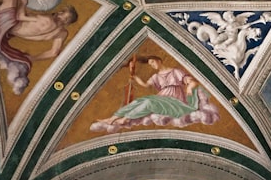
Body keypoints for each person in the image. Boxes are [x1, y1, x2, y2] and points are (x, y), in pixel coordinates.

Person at [90, 56, 219, 131]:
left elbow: (192, 81)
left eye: (153, 62)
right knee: (139, 101)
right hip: (161, 100)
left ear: (159, 60)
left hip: (176, 104)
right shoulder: (156, 76)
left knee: (148, 101)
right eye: (150, 64)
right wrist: (134, 77)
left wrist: (190, 87)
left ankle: (125, 119)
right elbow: (145, 85)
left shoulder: (175, 71)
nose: (152, 65)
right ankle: (113, 118)